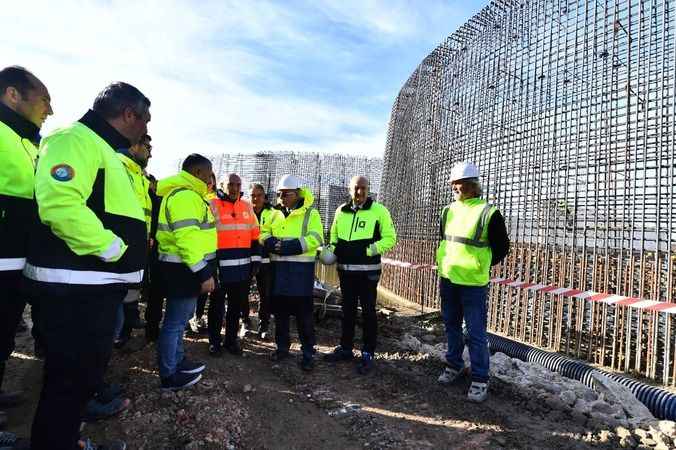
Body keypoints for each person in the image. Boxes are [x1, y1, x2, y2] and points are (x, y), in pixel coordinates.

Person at [23, 82, 150, 450]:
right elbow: (60, 204)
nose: (145, 129)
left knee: (79, 379)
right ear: (129, 114)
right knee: (69, 381)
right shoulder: (74, 139)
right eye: (145, 120)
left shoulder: (103, 149)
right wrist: (112, 249)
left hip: (89, 286)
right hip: (73, 288)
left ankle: (65, 439)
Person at [0, 65, 52, 448]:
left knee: (4, 337)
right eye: (43, 99)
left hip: (16, 262)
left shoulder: (28, 142)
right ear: (12, 95)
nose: (49, 109)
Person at [435, 162, 509, 403]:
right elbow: (446, 241)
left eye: (460, 184)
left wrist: (480, 264)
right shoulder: (448, 211)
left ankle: (480, 378)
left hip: (473, 284)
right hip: (448, 278)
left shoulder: (489, 212)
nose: (456, 188)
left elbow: (502, 248)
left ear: (473, 185)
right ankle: (454, 365)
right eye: (454, 184)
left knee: (476, 333)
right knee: (451, 326)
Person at [324, 176, 397, 374]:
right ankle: (346, 348)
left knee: (368, 312)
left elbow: (391, 237)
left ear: (368, 189)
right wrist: (332, 249)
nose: (360, 192)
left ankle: (368, 352)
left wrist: (369, 250)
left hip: (368, 273)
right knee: (347, 310)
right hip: (346, 271)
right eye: (356, 188)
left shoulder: (379, 211)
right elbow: (334, 234)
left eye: (363, 188)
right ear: (350, 189)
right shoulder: (341, 211)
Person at [155, 153, 216, 390]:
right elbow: (187, 238)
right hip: (183, 268)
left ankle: (178, 362)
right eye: (209, 174)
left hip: (183, 267)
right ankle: (169, 375)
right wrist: (203, 272)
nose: (211, 180)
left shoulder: (187, 195)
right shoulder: (186, 197)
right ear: (199, 173)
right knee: (174, 323)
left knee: (179, 321)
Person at [261, 175, 323, 371]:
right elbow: (262, 232)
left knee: (304, 317)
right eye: (279, 194)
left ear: (296, 194)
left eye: (285, 194)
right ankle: (282, 349)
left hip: (300, 275)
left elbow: (316, 238)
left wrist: (292, 246)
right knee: (280, 315)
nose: (281, 197)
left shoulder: (310, 214)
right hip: (279, 273)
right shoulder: (274, 213)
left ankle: (307, 353)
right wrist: (269, 242)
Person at [207, 173, 260, 356]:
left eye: (238, 184)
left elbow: (255, 235)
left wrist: (255, 260)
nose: (235, 188)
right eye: (230, 184)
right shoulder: (212, 205)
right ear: (222, 185)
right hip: (220, 268)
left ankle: (231, 341)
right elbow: (205, 237)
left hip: (242, 269)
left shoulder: (247, 206)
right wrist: (210, 266)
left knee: (235, 308)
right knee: (216, 307)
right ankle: (214, 342)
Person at [114, 133, 153, 349]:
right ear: (134, 145)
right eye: (148, 146)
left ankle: (123, 329)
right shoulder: (119, 167)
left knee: (131, 286)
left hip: (138, 241)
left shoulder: (138, 174)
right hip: (121, 241)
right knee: (116, 294)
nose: (150, 151)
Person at [250, 183, 284, 340]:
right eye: (252, 195)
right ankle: (245, 321)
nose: (255, 198)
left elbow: (276, 236)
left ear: (265, 197)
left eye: (259, 195)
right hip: (246, 260)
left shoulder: (274, 213)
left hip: (266, 261)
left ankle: (263, 324)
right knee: (242, 293)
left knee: (266, 294)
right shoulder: (245, 212)